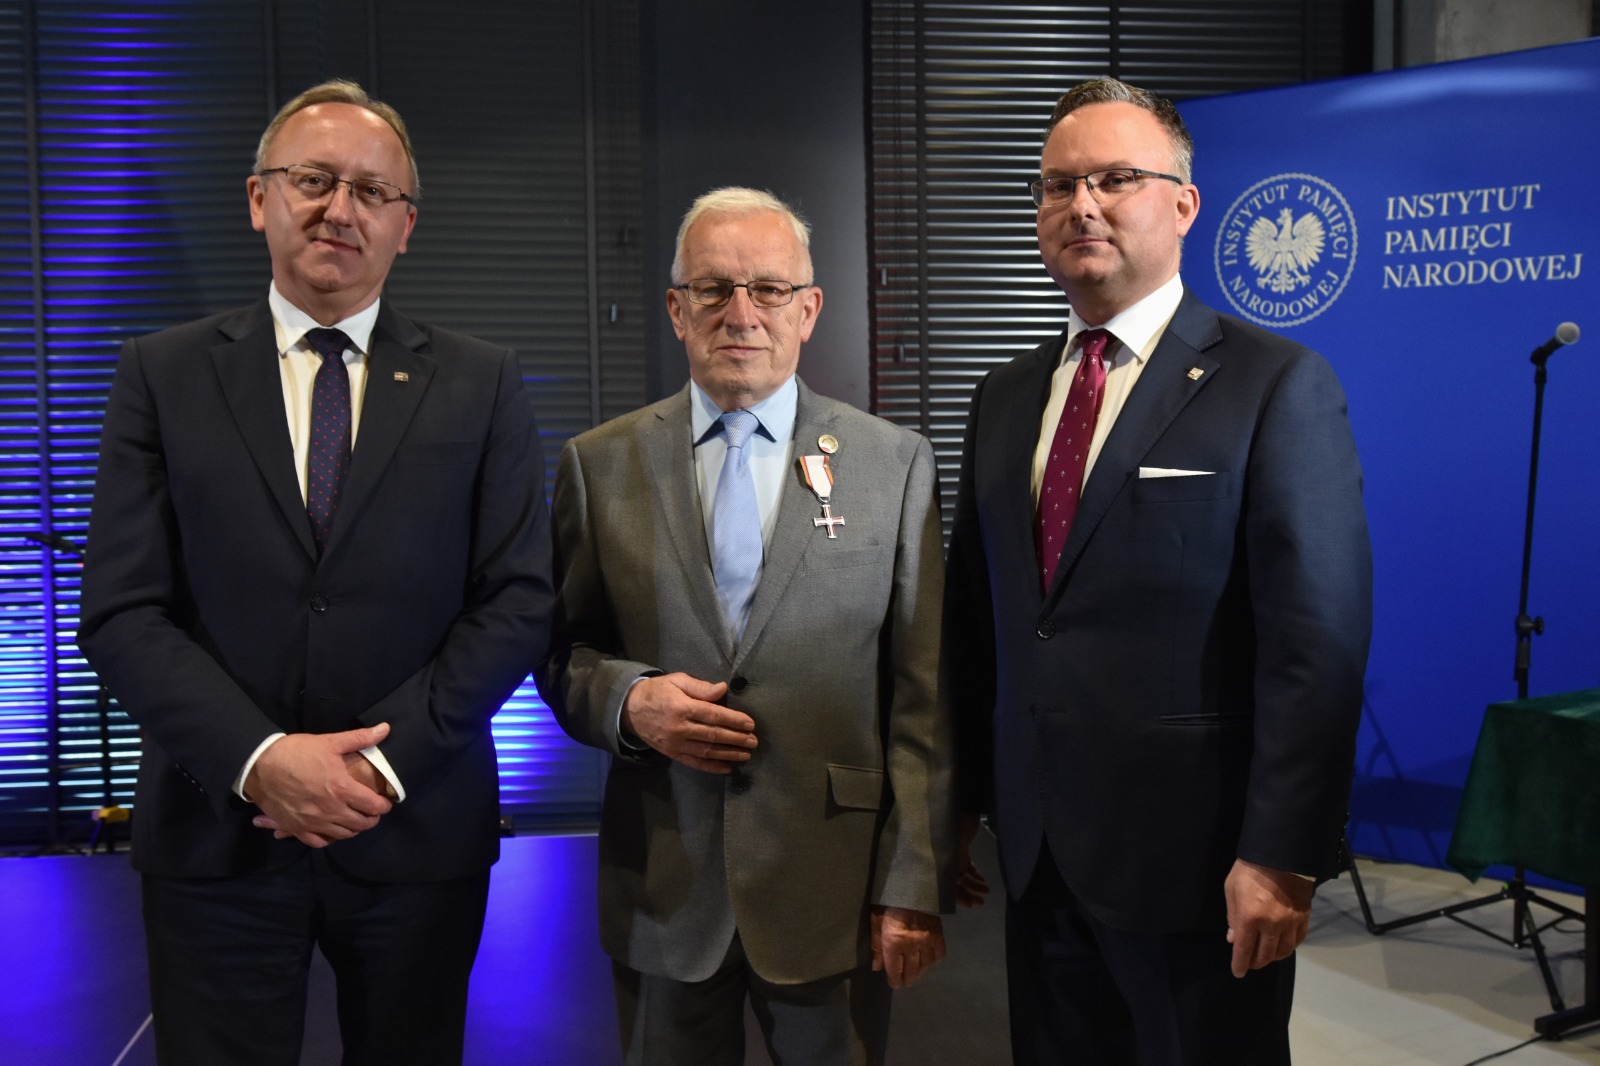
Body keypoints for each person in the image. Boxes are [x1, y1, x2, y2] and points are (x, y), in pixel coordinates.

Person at [76, 79, 553, 1064]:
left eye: (372, 191)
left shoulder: (483, 381)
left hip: (417, 832)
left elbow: (515, 600)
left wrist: (377, 766)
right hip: (219, 834)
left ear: (406, 226)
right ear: (260, 198)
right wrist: (261, 758)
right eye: (314, 180)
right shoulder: (161, 374)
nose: (341, 208)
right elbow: (124, 610)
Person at [944, 78, 1373, 1064]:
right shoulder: (1003, 397)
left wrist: (1282, 854)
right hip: (1036, 857)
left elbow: (1316, 645)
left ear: (1183, 204)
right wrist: (957, 803)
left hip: (1199, 868)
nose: (1082, 205)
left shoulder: (1274, 385)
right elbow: (979, 619)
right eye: (1059, 185)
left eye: (1115, 179)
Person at [536, 186, 955, 1065]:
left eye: (768, 289)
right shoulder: (597, 465)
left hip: (834, 886)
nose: (741, 313)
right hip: (665, 882)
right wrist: (630, 702)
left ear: (809, 309)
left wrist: (913, 881)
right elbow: (560, 653)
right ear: (675, 309)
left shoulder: (893, 464)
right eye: (713, 289)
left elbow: (921, 695)